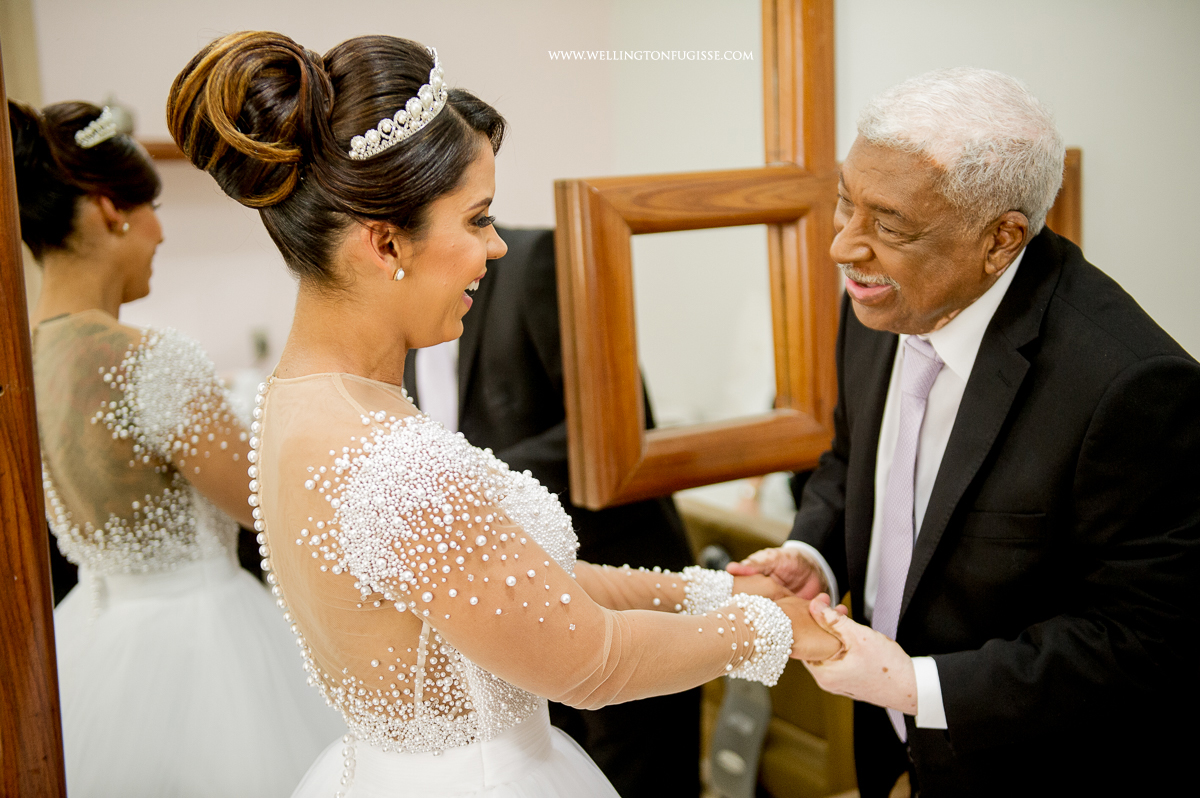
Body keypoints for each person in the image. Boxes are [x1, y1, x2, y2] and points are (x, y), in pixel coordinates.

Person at [166, 31, 842, 798]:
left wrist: (715, 593)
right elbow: (594, 662)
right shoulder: (394, 461)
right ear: (386, 243)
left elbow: (532, 584)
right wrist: (779, 630)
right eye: (477, 219)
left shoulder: (295, 405)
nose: (495, 248)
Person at [728, 67, 1200, 796]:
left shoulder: (1132, 385)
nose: (844, 248)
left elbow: (1142, 641)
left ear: (1001, 238)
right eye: (844, 205)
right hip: (889, 754)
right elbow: (854, 458)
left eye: (887, 224)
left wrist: (915, 683)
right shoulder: (882, 296)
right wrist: (813, 554)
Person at [12, 99, 344, 797]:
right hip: (205, 645)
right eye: (153, 206)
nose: (160, 233)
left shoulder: (22, 364)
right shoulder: (149, 360)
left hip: (90, 650)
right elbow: (265, 504)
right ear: (110, 209)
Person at [403, 226, 701, 797]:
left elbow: (614, 425)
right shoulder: (404, 312)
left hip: (616, 572)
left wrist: (464, 483)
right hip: (521, 611)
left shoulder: (536, 263)